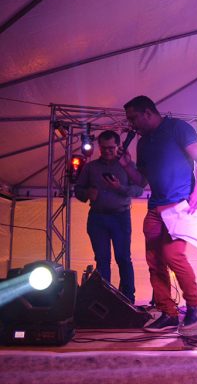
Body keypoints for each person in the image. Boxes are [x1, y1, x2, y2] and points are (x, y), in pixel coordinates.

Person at [121, 95, 197, 333]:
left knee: (173, 255)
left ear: (148, 113)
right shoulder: (143, 143)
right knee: (154, 261)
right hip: (155, 208)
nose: (131, 124)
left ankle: (195, 305)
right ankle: (168, 312)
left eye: (133, 118)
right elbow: (141, 181)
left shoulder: (177, 128)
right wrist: (127, 166)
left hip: (179, 205)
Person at [74, 130, 143, 303]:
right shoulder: (90, 167)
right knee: (102, 260)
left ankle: (128, 299)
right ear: (99, 146)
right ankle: (104, 299)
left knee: (123, 258)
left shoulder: (127, 166)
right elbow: (78, 190)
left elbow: (139, 190)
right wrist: (87, 193)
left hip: (121, 217)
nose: (107, 151)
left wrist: (120, 188)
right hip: (97, 217)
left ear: (118, 146)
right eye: (103, 148)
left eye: (111, 148)